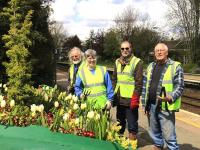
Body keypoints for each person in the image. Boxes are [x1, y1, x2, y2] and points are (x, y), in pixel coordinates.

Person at [141, 43, 184, 150]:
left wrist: (170, 97)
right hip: (151, 105)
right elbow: (145, 86)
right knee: (154, 132)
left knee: (169, 136)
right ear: (154, 53)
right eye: (157, 51)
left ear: (167, 52)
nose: (159, 52)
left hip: (165, 106)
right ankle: (158, 146)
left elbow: (180, 86)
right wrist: (144, 104)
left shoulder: (175, 66)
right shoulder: (151, 66)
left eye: (162, 50)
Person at [113, 41, 143, 141]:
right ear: (120, 50)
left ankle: (132, 146)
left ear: (131, 49)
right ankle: (120, 143)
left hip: (130, 100)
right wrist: (113, 95)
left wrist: (136, 98)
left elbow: (139, 83)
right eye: (122, 49)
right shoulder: (117, 62)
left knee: (132, 125)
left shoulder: (137, 62)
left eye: (127, 48)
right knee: (119, 123)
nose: (125, 50)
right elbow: (115, 80)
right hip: (119, 98)